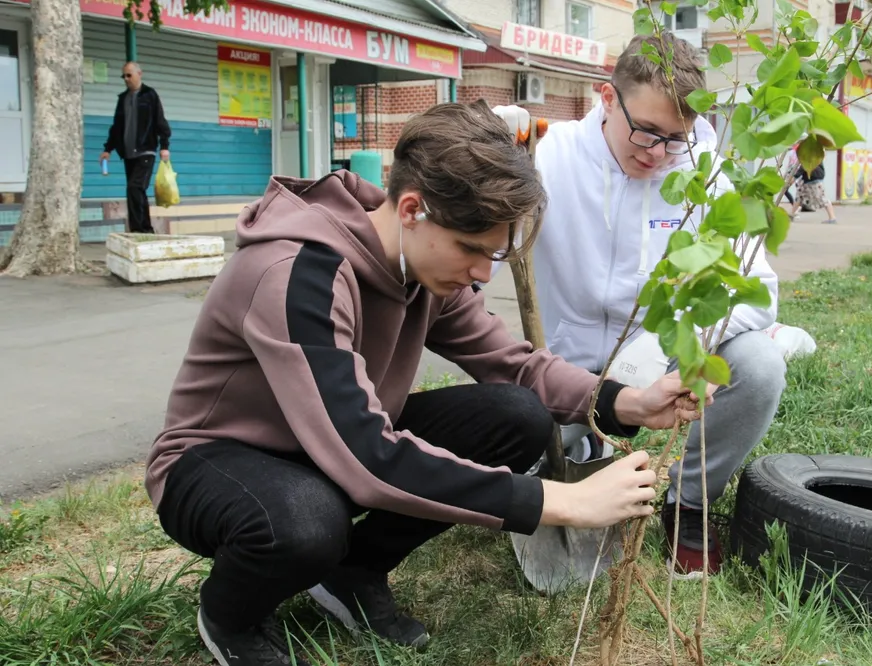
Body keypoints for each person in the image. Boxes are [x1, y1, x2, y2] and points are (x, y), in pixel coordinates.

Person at [145, 100, 713, 666]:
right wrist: (558, 500)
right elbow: (367, 457)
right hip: (217, 458)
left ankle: (353, 572)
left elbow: (513, 363)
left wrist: (627, 402)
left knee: (517, 417)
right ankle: (230, 616)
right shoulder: (297, 275)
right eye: (472, 249)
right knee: (306, 520)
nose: (482, 273)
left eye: (493, 252)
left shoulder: (422, 269)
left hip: (335, 447)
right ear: (413, 209)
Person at [501, 33, 788, 579]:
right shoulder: (547, 157)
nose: (656, 153)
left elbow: (758, 293)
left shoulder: (701, 174)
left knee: (758, 365)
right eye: (646, 131)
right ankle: (562, 468)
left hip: (661, 358)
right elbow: (471, 270)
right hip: (564, 368)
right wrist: (485, 156)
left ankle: (689, 502)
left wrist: (673, 346)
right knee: (511, 443)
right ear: (606, 98)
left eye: (675, 138)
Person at [99, 61, 171, 234]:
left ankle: (140, 230)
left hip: (146, 151)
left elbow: (160, 121)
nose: (126, 79)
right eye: (123, 76)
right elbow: (116, 127)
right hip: (128, 154)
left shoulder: (150, 95)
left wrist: (164, 145)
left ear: (140, 74)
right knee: (136, 191)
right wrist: (108, 149)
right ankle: (144, 229)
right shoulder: (122, 99)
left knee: (135, 187)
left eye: (129, 75)